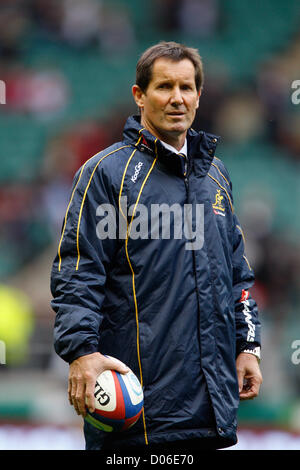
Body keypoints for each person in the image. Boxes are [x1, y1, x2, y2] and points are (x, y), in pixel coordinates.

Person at [50, 41, 262, 452]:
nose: (177, 98)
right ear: (139, 95)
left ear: (199, 96)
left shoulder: (216, 176)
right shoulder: (105, 174)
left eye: (186, 87)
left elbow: (237, 274)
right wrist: (81, 351)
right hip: (137, 413)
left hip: (211, 411)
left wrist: (247, 345)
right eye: (164, 86)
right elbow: (78, 272)